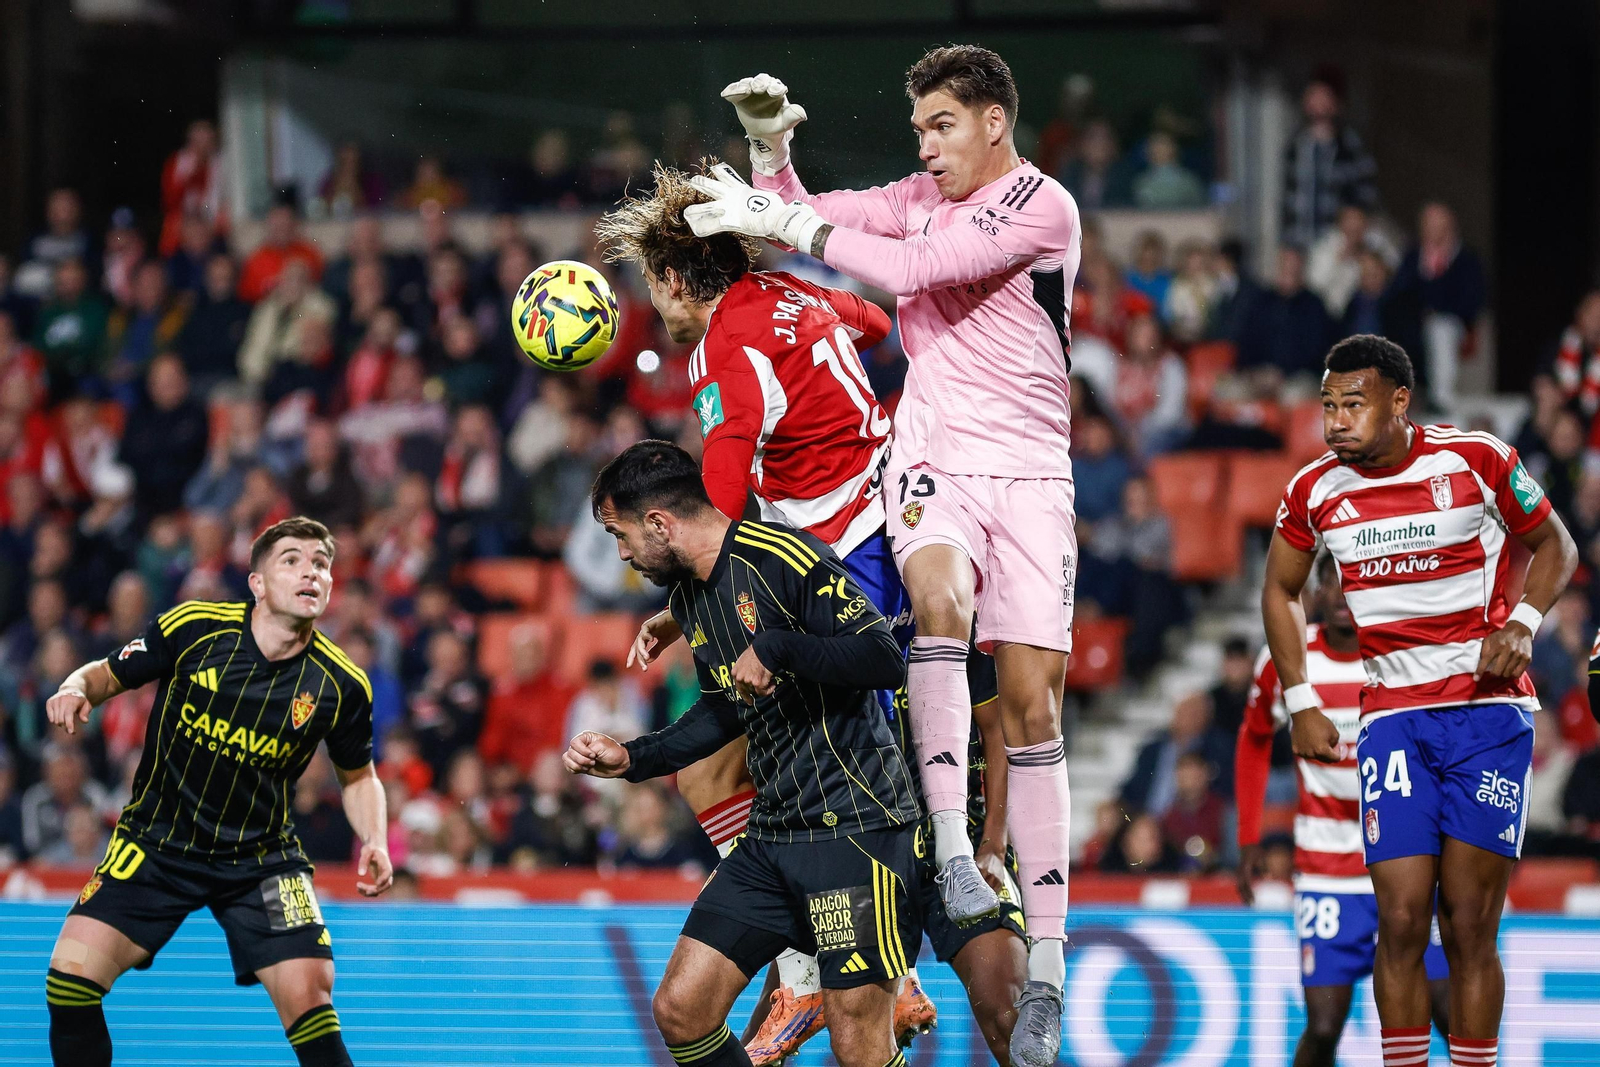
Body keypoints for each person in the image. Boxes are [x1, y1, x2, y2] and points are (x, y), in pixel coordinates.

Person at [694, 50, 1079, 1064]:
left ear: (994, 121)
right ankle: (943, 857)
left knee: (1034, 703)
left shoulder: (1041, 206)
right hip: (931, 460)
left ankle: (1043, 957)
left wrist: (786, 224)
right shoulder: (915, 195)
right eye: (917, 130)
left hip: (1033, 471)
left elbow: (904, 271)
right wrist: (772, 156)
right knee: (936, 603)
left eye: (942, 126)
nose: (925, 148)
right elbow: (820, 212)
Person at [597, 165, 1026, 1063]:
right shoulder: (796, 292)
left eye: (654, 288)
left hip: (848, 560)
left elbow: (722, 478)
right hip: (898, 526)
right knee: (712, 765)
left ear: (677, 279)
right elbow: (876, 322)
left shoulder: (719, 347)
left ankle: (839, 964)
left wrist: (693, 594)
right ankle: (838, 958)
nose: (659, 309)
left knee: (740, 763)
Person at [1263, 335, 1576, 1067]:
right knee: (1401, 921)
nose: (1336, 420)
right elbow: (1278, 588)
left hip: (1488, 716)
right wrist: (1302, 695)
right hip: (1393, 720)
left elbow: (1556, 543)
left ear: (1399, 401)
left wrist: (1524, 625)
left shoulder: (1476, 458)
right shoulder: (1314, 490)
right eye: (1328, 405)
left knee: (1467, 925)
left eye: (1354, 403)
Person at [567, 440, 919, 1067]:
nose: (621, 554)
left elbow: (884, 660)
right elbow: (723, 708)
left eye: (621, 536)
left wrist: (782, 647)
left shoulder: (783, 556)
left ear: (659, 523)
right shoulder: (692, 597)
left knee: (859, 1044)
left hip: (853, 832)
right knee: (681, 1009)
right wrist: (633, 758)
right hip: (771, 837)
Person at [39, 516, 392, 1067]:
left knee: (311, 991)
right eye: (293, 560)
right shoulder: (196, 627)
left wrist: (375, 838)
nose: (311, 572)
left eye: (321, 563)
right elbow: (106, 673)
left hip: (261, 859)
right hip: (157, 843)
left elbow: (358, 776)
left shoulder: (342, 684)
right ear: (256, 583)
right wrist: (73, 686)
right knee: (69, 978)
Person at [1238, 552, 1450, 1066]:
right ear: (1313, 592)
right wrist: (1248, 839)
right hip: (1327, 872)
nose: (1338, 593)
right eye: (1328, 581)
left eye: (1349, 580)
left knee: (1448, 1012)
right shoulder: (1287, 661)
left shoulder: (1405, 659)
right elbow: (1253, 737)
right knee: (1325, 1025)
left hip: (1409, 863)